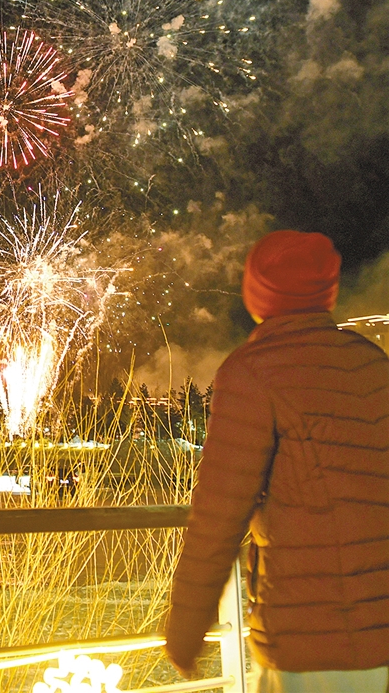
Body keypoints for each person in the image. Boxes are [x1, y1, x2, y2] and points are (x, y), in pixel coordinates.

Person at [165, 230, 389, 692]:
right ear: (326, 293)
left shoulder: (252, 372)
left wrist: (185, 630)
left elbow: (219, 515)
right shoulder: (372, 364)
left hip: (313, 642)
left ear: (258, 293)